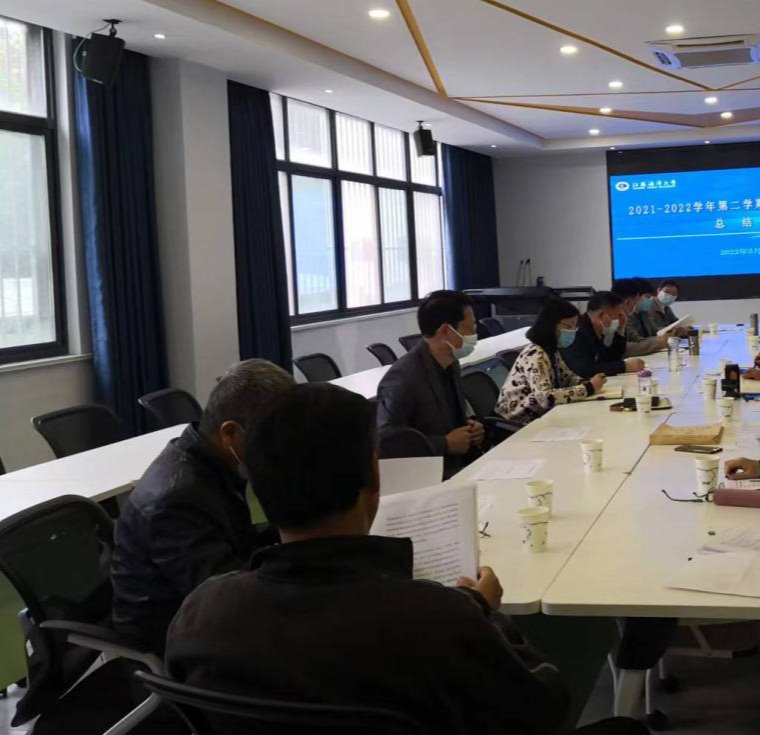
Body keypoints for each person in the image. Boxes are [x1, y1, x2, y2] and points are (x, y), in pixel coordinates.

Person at [166, 384, 645, 735]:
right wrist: (486, 614)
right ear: (374, 478)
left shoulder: (200, 613)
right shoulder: (437, 618)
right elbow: (545, 708)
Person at [111, 359, 295, 654]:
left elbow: (237, 543)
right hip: (175, 643)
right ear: (230, 433)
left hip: (204, 614)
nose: (279, 449)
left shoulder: (210, 462)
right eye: (271, 437)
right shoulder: (176, 499)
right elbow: (225, 600)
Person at [377, 290, 486, 479]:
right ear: (445, 331)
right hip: (427, 478)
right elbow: (387, 445)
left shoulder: (451, 363)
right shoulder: (403, 378)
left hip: (460, 468)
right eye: (470, 328)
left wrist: (472, 429)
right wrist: (445, 444)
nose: (474, 335)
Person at [497, 297, 607, 423]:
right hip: (518, 423)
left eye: (574, 327)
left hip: (541, 417)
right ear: (550, 325)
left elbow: (568, 378)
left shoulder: (552, 351)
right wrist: (588, 388)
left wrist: (591, 382)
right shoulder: (536, 355)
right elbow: (546, 398)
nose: (572, 331)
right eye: (568, 326)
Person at [560, 291, 645, 379]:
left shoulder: (594, 329)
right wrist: (625, 367)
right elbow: (584, 370)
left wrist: (621, 329)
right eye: (619, 315)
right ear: (601, 315)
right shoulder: (577, 331)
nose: (621, 319)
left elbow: (610, 358)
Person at [613, 278, 668, 355]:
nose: (650, 301)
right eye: (647, 297)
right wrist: (658, 342)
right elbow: (625, 347)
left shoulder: (643, 313)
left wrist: (669, 332)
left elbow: (655, 331)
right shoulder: (620, 318)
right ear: (628, 301)